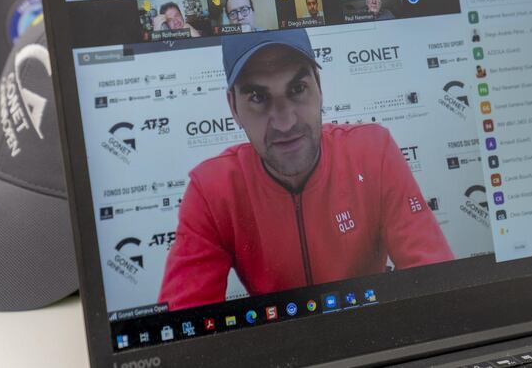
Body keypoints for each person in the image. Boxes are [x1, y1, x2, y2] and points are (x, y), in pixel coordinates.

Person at [159, 29, 453, 310]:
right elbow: (183, 332)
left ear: (319, 87)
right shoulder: (212, 191)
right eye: (258, 98)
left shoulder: (374, 151)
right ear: (233, 107)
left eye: (298, 89)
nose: (285, 123)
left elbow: (435, 283)